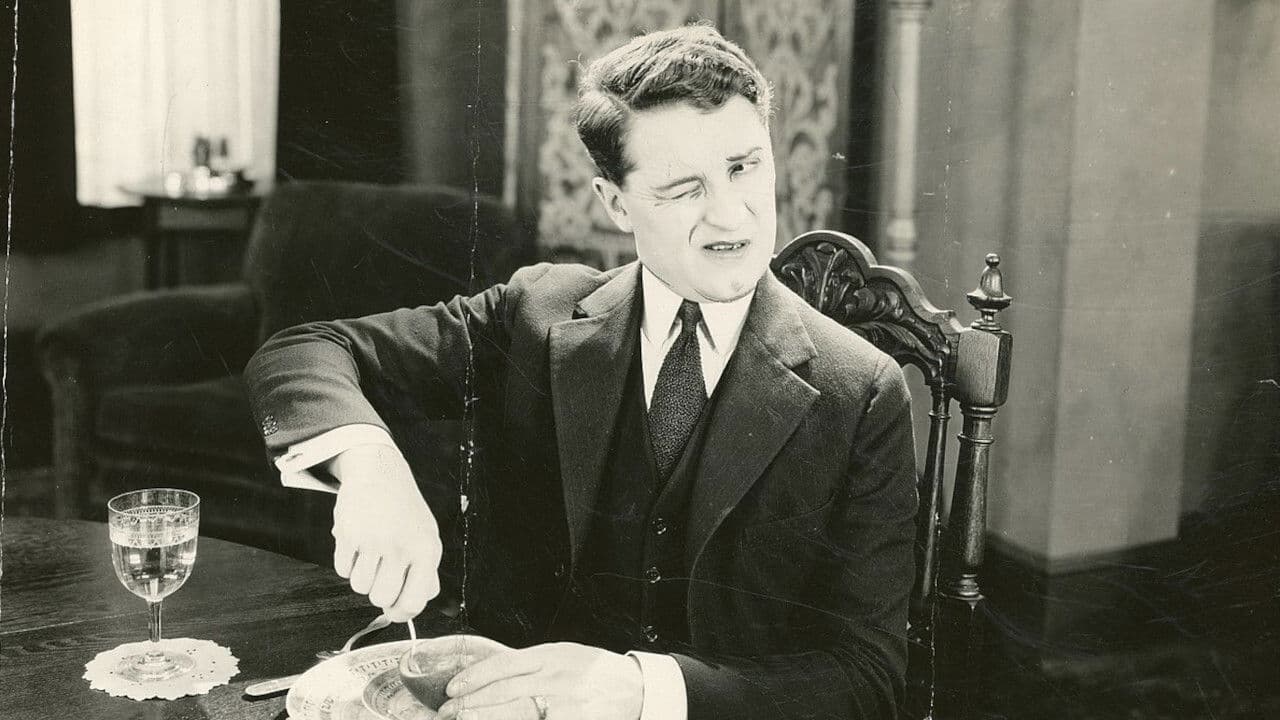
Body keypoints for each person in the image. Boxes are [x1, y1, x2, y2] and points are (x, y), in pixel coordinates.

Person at [245, 24, 917, 720]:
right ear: (615, 203)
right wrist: (368, 463)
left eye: (744, 167)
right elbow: (303, 350)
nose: (729, 214)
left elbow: (868, 680)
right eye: (683, 188)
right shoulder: (536, 313)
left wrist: (643, 690)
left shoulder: (860, 390)